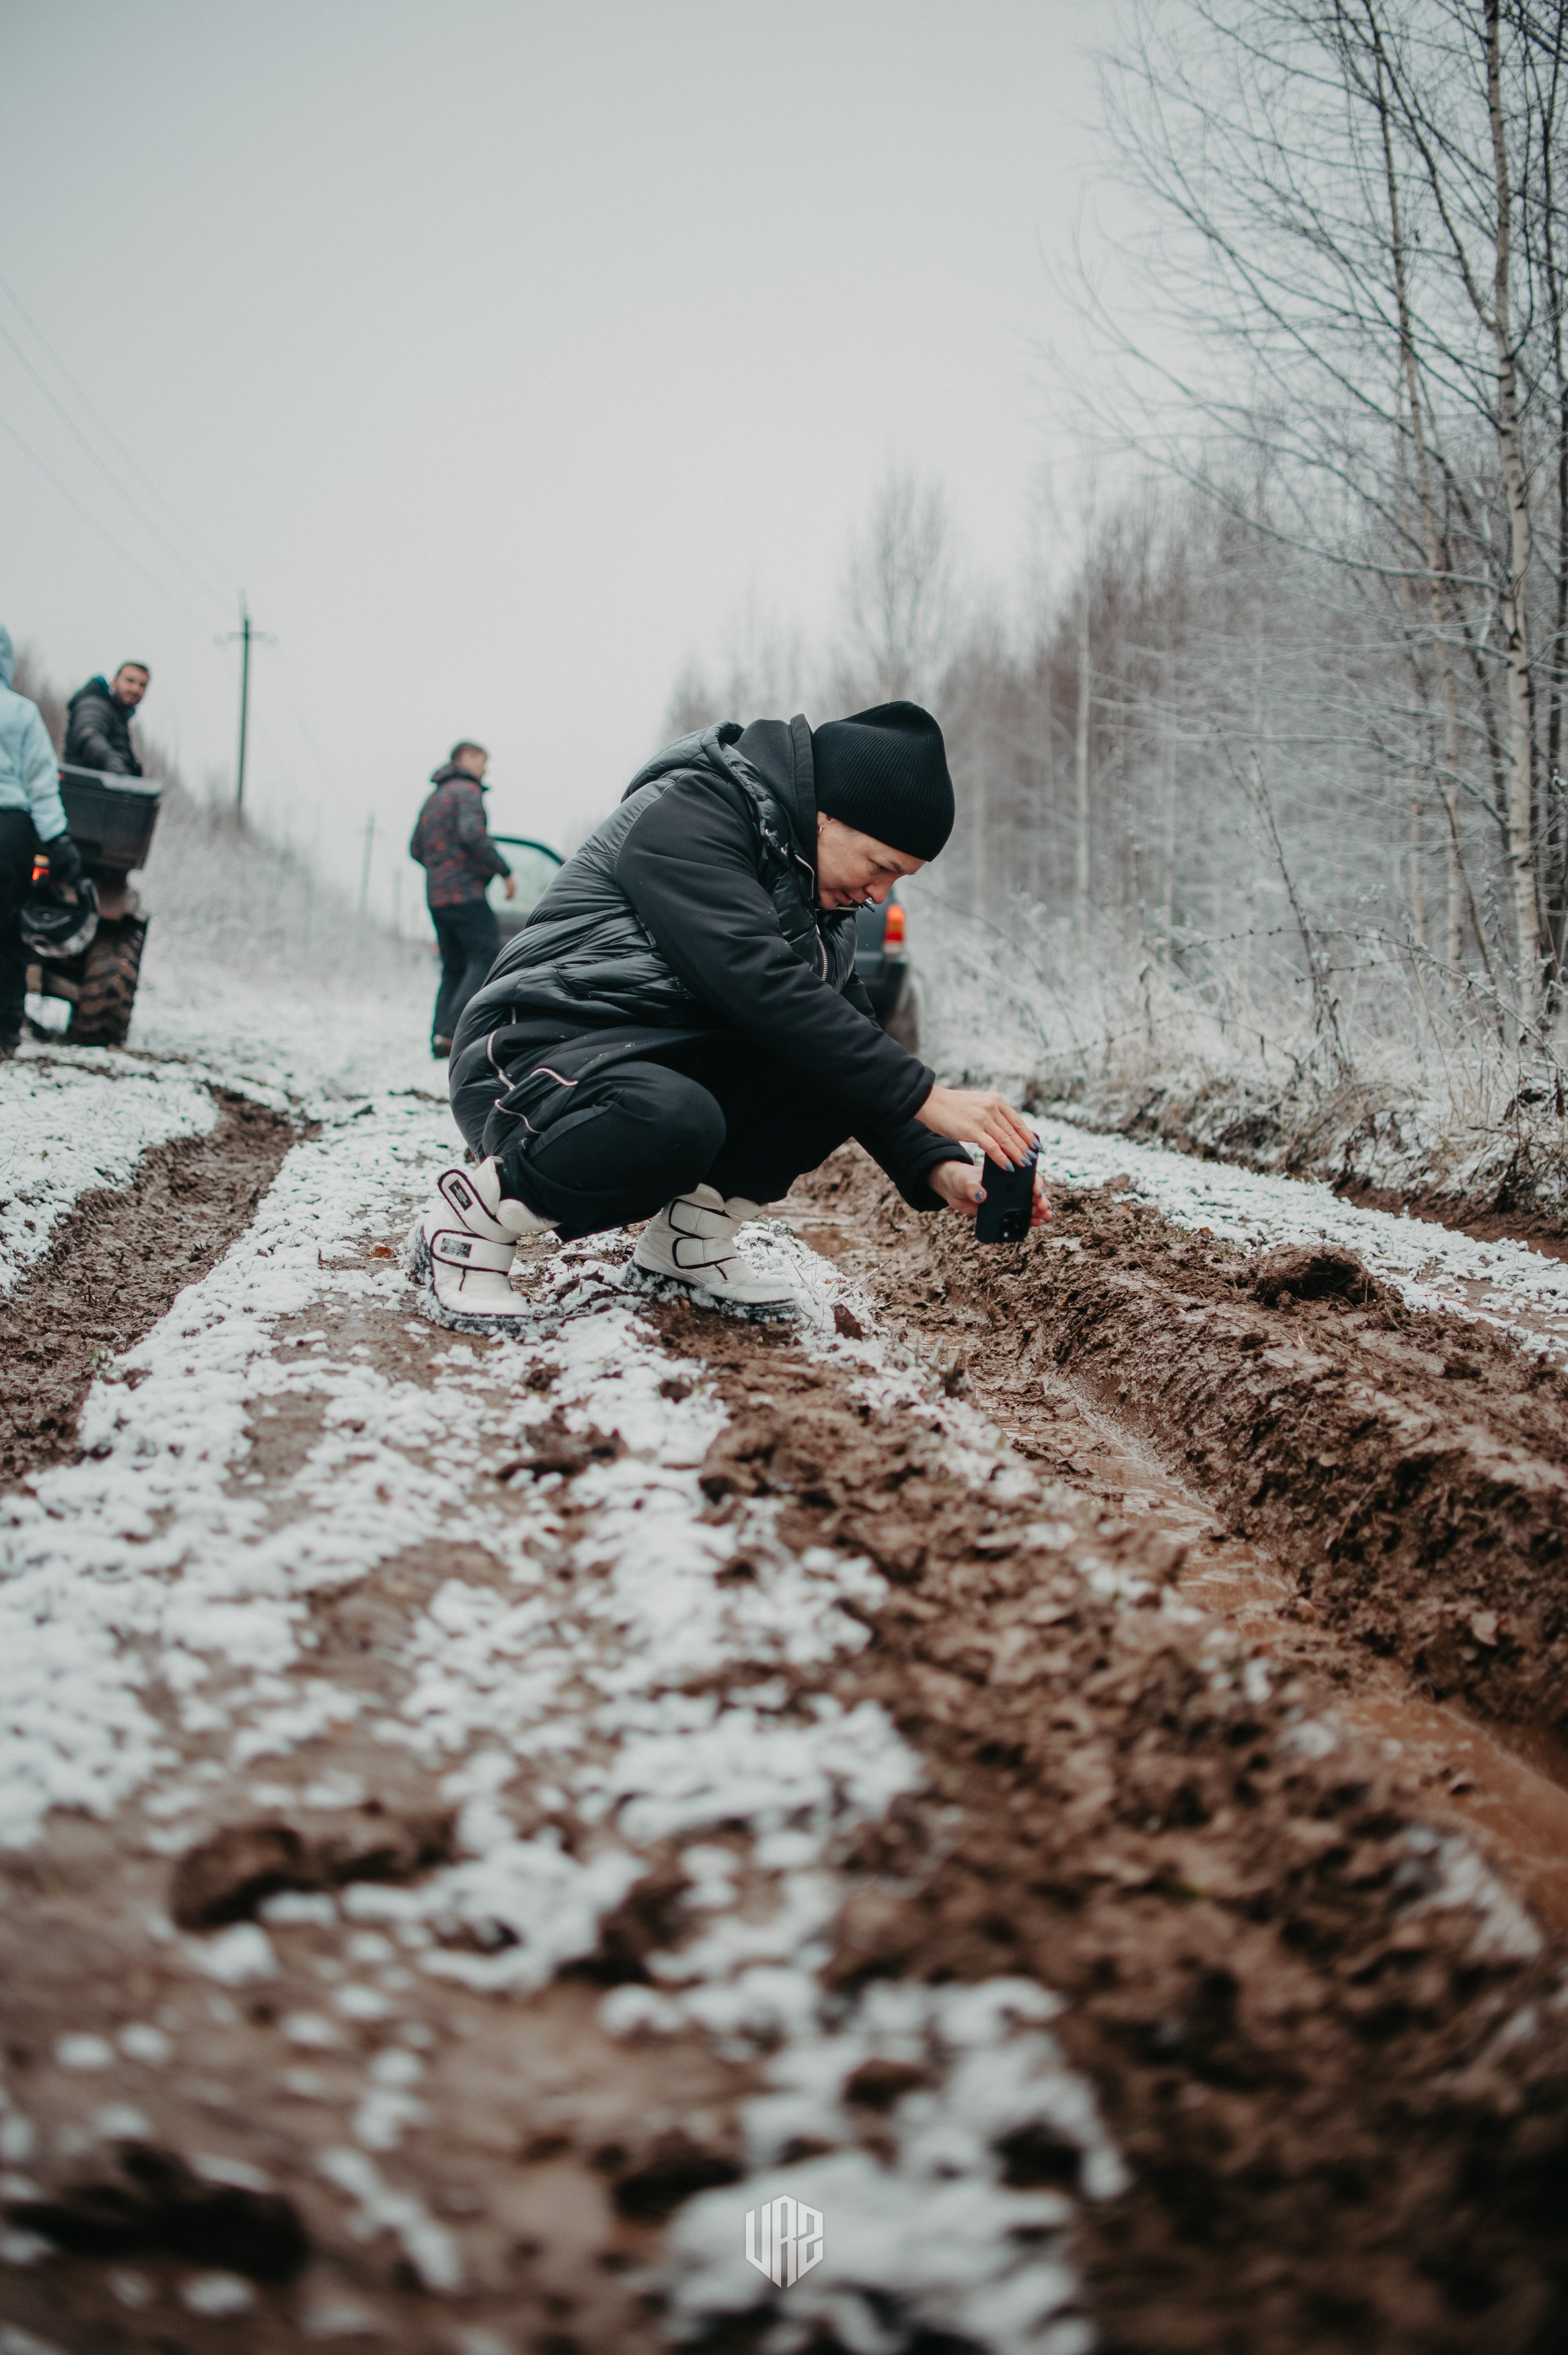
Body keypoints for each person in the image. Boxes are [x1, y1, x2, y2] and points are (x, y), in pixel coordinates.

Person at [411, 702, 1047, 1330]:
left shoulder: (820, 910)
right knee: (669, 1118)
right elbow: (755, 978)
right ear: (824, 816)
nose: (879, 895)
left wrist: (940, 1165)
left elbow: (847, 1036)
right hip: (533, 1053)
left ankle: (686, 1247)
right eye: (880, 867)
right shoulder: (692, 813)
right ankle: (470, 1221)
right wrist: (925, 1094)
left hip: (642, 1069)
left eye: (898, 879)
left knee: (825, 1068)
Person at [0, 625, 82, 1058]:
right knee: (9, 930)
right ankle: (5, 1034)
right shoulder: (21, 713)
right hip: (10, 829)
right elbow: (41, 785)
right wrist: (59, 840)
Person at [409, 741, 515, 1058]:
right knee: (485, 958)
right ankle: (453, 1031)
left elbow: (416, 848)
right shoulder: (467, 792)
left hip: (437, 897)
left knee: (454, 966)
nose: (485, 769)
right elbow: (472, 835)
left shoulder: (434, 798)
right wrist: (504, 871)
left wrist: (441, 870)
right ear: (466, 758)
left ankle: (441, 1037)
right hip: (466, 893)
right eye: (483, 761)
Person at [64, 662, 149, 774]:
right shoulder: (94, 704)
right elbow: (88, 735)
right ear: (114, 682)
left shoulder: (119, 717)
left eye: (142, 685)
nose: (135, 689)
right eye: (130, 681)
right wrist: (113, 762)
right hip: (85, 786)